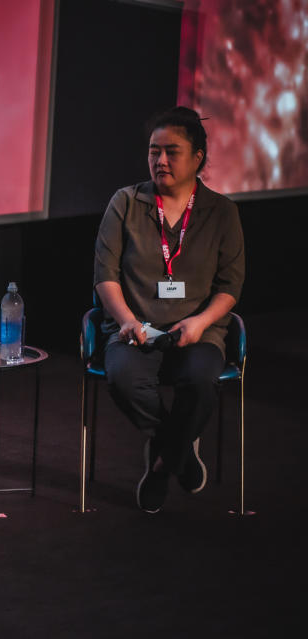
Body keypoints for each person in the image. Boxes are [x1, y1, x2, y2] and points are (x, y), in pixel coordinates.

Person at [93, 107, 245, 513]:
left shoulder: (222, 212)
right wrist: (126, 320)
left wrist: (199, 323)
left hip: (198, 332)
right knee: (122, 379)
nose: (160, 160)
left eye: (171, 152)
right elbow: (105, 276)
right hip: (134, 329)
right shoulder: (125, 203)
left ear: (198, 158)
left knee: (200, 381)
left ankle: (161, 466)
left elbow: (230, 287)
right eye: (153, 151)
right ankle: (177, 449)